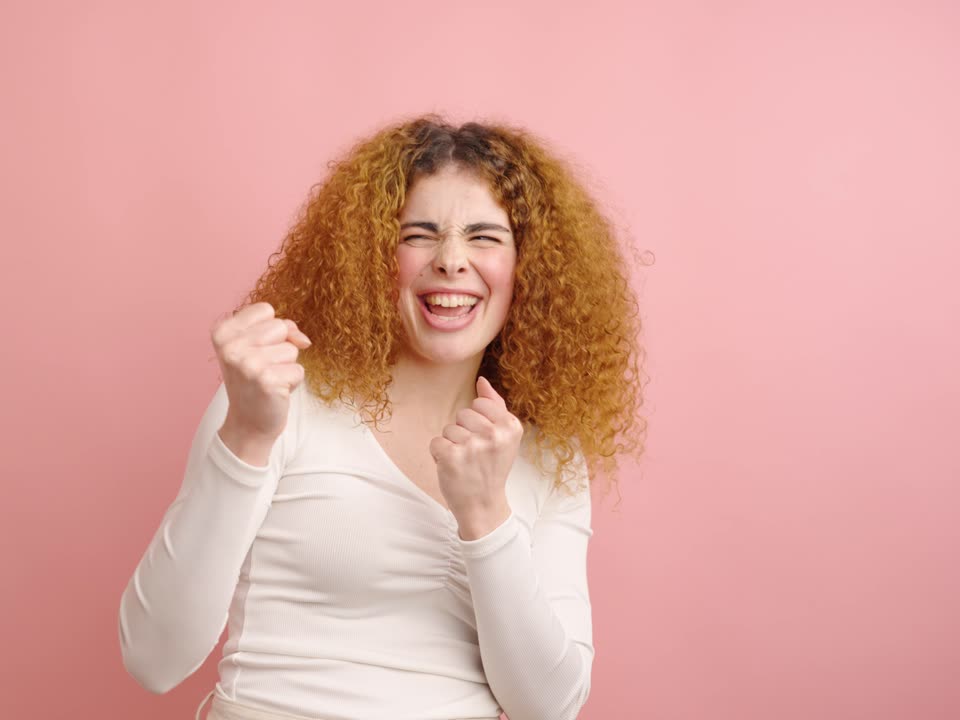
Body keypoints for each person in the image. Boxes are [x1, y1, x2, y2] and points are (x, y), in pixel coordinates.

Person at [118, 114, 648, 720]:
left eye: (484, 236)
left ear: (529, 269)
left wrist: (485, 517)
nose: (450, 260)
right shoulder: (280, 399)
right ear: (372, 256)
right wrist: (246, 435)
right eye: (418, 234)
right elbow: (153, 659)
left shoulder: (548, 453)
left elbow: (548, 705)